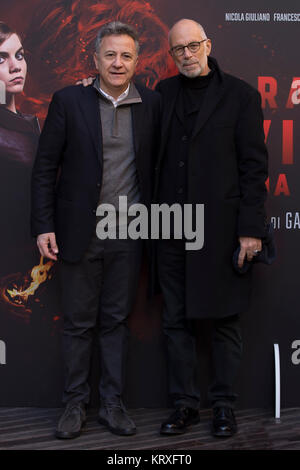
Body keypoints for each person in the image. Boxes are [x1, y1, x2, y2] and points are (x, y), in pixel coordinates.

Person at [31, 21, 160, 439]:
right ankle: (74, 404)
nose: (118, 62)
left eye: (126, 55)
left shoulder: (153, 105)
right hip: (79, 233)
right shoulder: (69, 101)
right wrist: (44, 225)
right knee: (78, 323)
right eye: (110, 54)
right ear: (96, 59)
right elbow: (45, 168)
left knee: (116, 323)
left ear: (137, 61)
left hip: (130, 235)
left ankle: (112, 404)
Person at [154, 19, 268, 437]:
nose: (185, 54)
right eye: (177, 49)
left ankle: (223, 406)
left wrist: (250, 230)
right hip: (168, 229)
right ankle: (184, 405)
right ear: (171, 55)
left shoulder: (241, 96)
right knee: (175, 322)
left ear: (208, 45)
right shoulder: (162, 95)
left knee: (224, 322)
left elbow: (254, 170)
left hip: (221, 232)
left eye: (192, 46)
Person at [0, 22, 40, 261]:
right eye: (0, 59)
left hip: (39, 257)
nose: (16, 66)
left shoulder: (29, 121)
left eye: (19, 55)